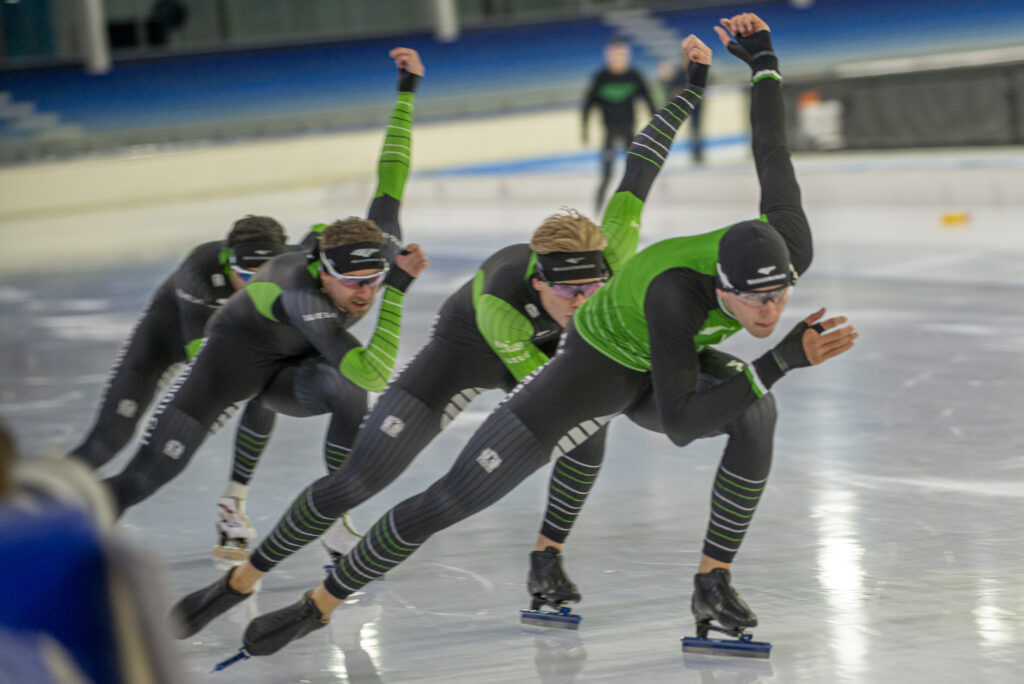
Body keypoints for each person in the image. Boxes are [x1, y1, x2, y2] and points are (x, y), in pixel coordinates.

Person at [226, 15, 859, 657]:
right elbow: (681, 424)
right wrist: (779, 359)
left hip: (657, 356)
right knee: (454, 498)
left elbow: (763, 154)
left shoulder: (778, 245)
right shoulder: (672, 292)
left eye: (780, 296)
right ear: (719, 285)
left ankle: (711, 583)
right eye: (753, 301)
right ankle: (323, 600)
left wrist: (759, 65)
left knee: (756, 413)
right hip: (598, 362)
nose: (769, 312)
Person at [168, 36, 713, 642]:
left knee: (589, 435)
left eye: (595, 289)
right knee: (358, 481)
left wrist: (691, 87)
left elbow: (642, 162)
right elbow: (548, 389)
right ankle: (242, 578)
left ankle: (546, 555)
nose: (584, 302)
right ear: (538, 279)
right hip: (465, 352)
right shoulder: (500, 300)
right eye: (569, 291)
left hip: (534, 355)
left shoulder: (614, 247)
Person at [101, 47, 430, 519]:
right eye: (351, 283)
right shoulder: (300, 292)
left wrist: (407, 92)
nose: (365, 293)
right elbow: (373, 372)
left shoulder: (379, 247)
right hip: (227, 368)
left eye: (374, 280)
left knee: (347, 391)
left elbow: (392, 172)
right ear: (323, 272)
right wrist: (395, 292)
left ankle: (334, 515)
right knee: (144, 478)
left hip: (289, 366)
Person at [68, 216, 290, 471]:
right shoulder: (200, 268)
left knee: (159, 463)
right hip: (163, 341)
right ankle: (41, 489)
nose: (255, 285)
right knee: (108, 440)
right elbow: (202, 360)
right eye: (245, 274)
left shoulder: (291, 269)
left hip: (223, 346)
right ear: (228, 260)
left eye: (266, 274)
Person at [582, 37, 655, 215]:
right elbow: (587, 106)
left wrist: (656, 129)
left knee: (635, 173)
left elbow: (649, 102)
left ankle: (632, 213)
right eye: (615, 54)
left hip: (630, 131)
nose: (619, 58)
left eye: (623, 54)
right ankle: (597, 213)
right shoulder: (601, 78)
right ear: (608, 55)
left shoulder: (634, 76)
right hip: (610, 131)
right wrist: (584, 131)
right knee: (606, 174)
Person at [658, 48, 705, 164]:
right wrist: (665, 81)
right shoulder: (678, 75)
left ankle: (697, 153)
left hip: (696, 105)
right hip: (681, 107)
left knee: (696, 128)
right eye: (685, 59)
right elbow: (670, 92)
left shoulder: (697, 72)